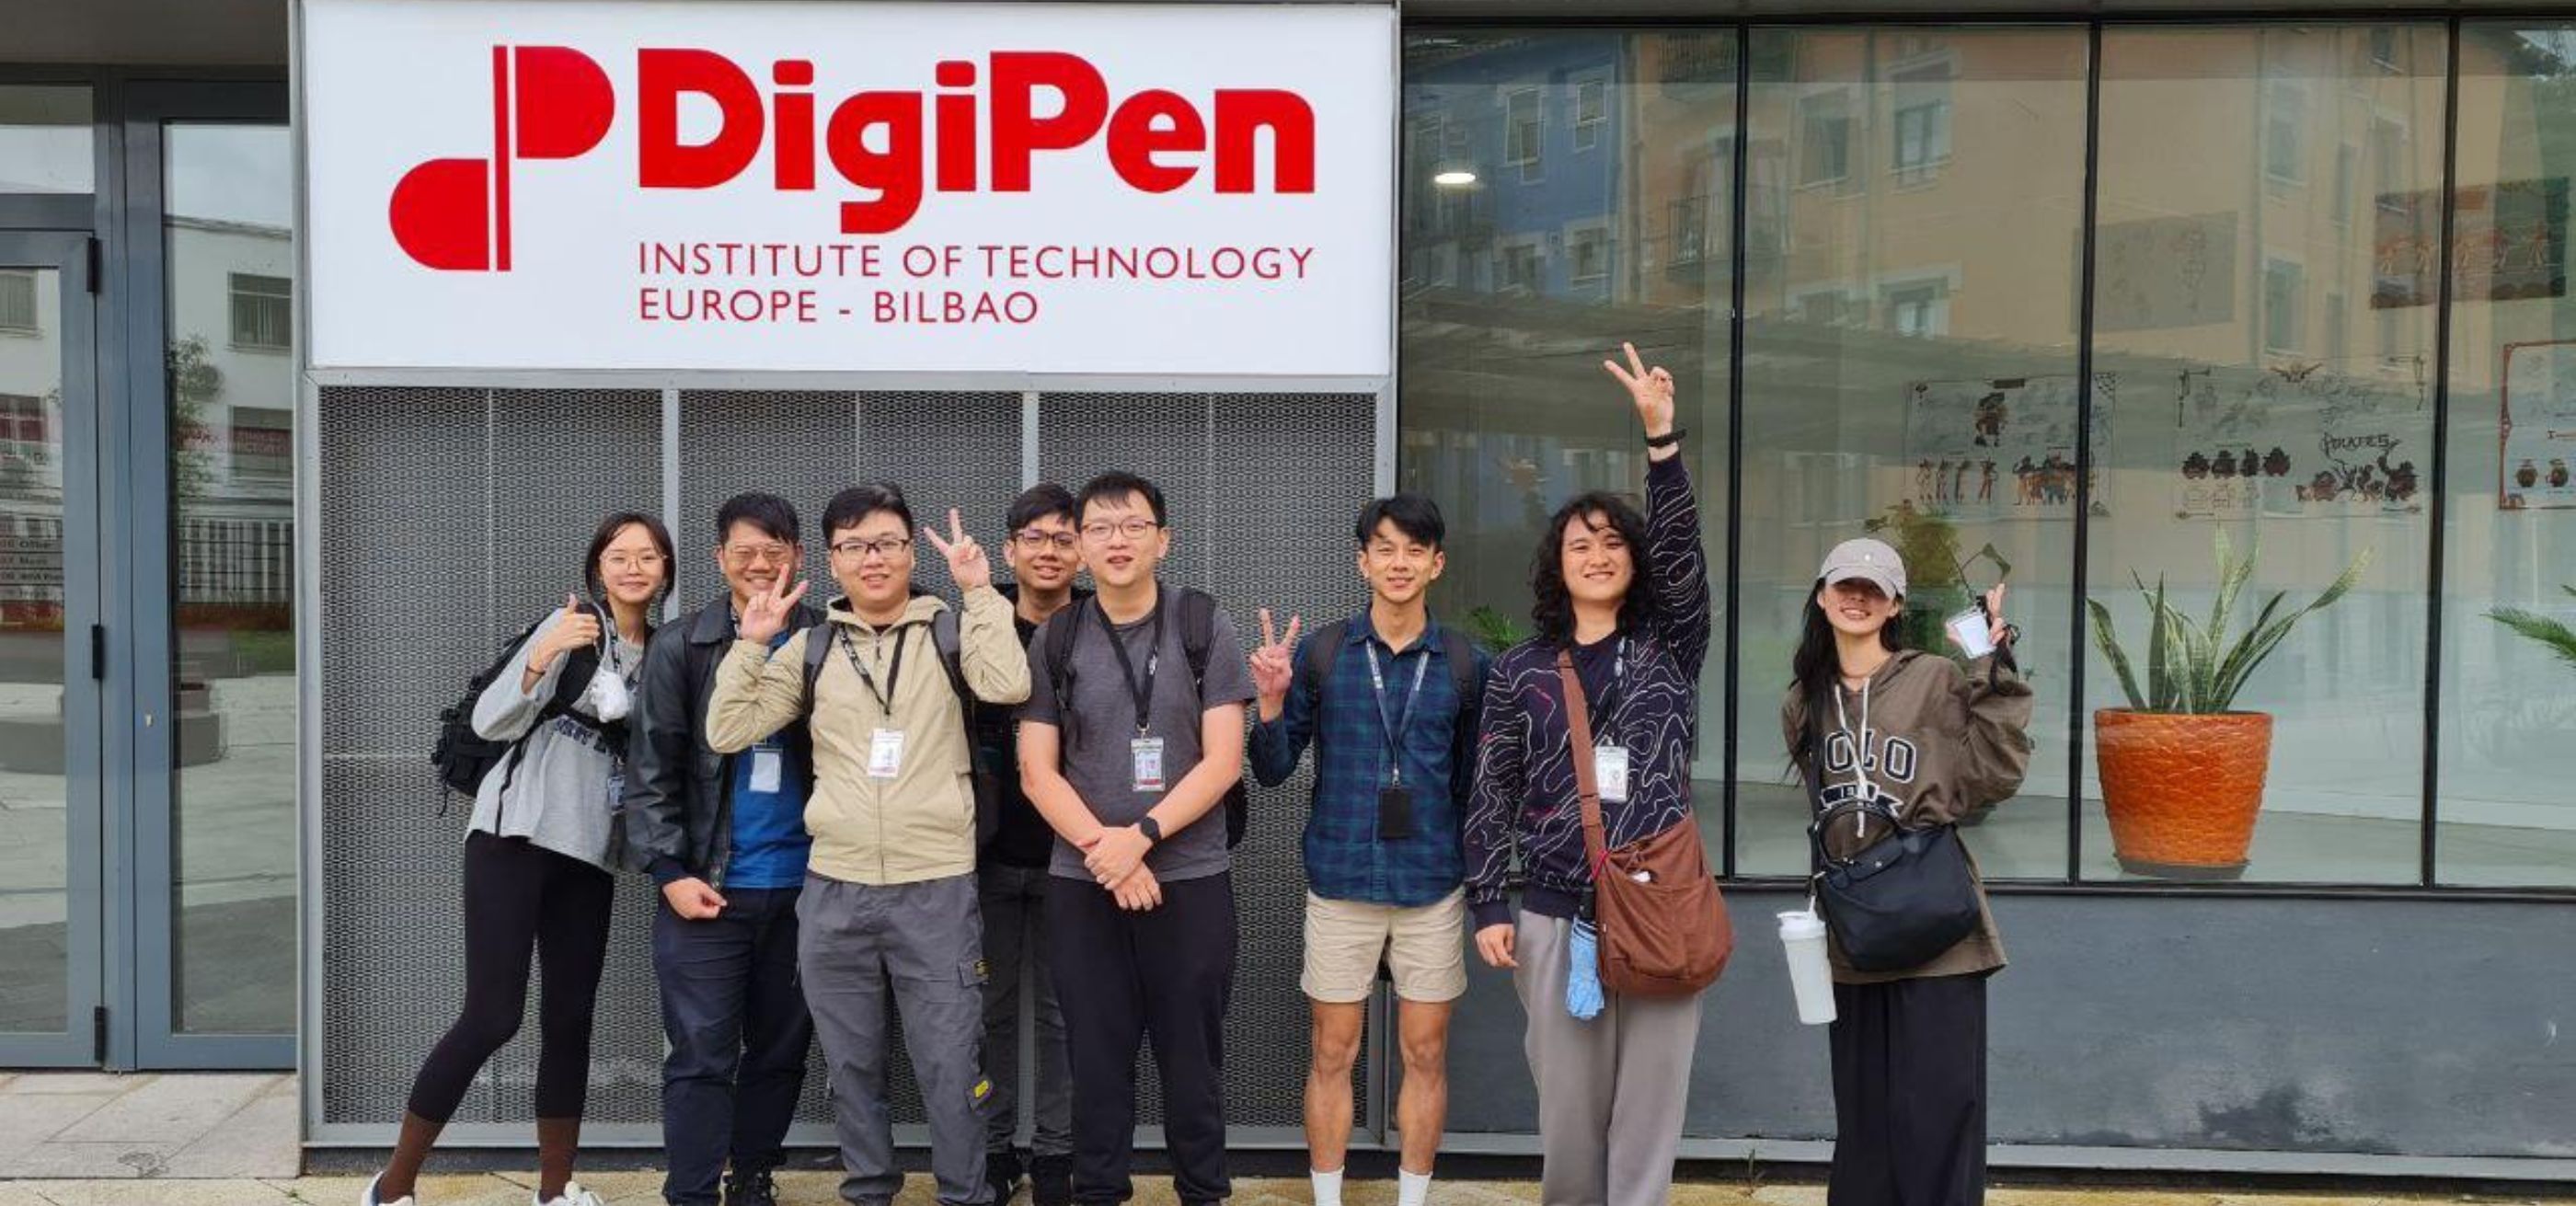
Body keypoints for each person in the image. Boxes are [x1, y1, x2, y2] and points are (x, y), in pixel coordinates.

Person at [706, 483, 1030, 1206]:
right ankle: (869, 1190)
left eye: (886, 543)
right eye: (854, 546)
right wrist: (751, 644)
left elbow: (1007, 683)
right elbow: (727, 731)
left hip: (937, 884)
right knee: (851, 1066)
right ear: (832, 560)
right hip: (836, 888)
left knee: (950, 1062)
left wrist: (979, 593)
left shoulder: (948, 628)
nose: (872, 558)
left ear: (912, 551)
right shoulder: (813, 647)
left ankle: (967, 1193)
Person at [363, 512, 674, 1206]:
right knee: (492, 1014)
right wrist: (543, 655)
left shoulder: (660, 650)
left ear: (665, 572)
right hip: (513, 838)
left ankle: (556, 1190)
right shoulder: (570, 623)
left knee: (570, 1018)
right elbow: (488, 722)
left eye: (648, 556)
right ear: (598, 565)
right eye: (619, 555)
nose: (633, 567)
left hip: (588, 853)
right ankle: (391, 1187)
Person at [1462, 343, 1712, 1206]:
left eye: (1612, 542)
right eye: (1579, 543)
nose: (1598, 554)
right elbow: (1491, 787)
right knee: (1569, 1110)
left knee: (1651, 1107)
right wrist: (1489, 899)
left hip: (1662, 904)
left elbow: (1682, 561)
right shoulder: (1522, 667)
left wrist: (1661, 441)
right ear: (1555, 563)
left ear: (1633, 561)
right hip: (1559, 911)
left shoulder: (1668, 651)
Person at [1016, 471, 1256, 1206]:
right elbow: (1036, 770)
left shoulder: (1202, 623)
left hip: (1189, 877)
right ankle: (1098, 1192)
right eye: (1100, 528)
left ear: (1163, 538)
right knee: (1096, 1058)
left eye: (1133, 525)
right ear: (1081, 547)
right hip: (1084, 883)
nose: (1117, 540)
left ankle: (1203, 1192)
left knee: (1193, 1061)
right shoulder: (1058, 636)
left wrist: (1142, 836)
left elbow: (1224, 758)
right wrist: (1109, 853)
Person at [1247, 494, 1486, 1206]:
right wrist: (1267, 703)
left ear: (1436, 563)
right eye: (1385, 548)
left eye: (1415, 550)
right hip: (1342, 878)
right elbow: (1271, 767)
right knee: (1331, 1050)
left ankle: (1411, 1200)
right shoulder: (1324, 654)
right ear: (1363, 561)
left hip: (1430, 883)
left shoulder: (1468, 665)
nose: (1400, 562)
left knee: (1426, 1051)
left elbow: (1476, 787)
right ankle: (1328, 1199)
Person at [1782, 538, 2030, 1206]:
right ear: (1822, 594)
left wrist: (1989, 662)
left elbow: (1992, 775)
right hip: (1857, 929)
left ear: (1894, 604)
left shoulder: (1932, 678)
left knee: (1940, 1110)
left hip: (1937, 924)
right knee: (1865, 1117)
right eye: (1844, 584)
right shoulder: (1805, 700)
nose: (1857, 597)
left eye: (1874, 587)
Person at [622, 493, 821, 1206]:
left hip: (806, 888)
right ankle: (694, 1190)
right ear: (720, 559)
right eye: (745, 552)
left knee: (780, 1048)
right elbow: (650, 771)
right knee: (702, 1052)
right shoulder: (684, 644)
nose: (761, 565)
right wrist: (669, 871)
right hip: (707, 887)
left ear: (799, 555)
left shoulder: (826, 638)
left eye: (775, 550)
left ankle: (755, 1175)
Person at [975, 484, 1087, 1206]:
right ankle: (987, 1153)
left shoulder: (1097, 628)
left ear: (1080, 549)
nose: (1048, 551)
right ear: (1009, 549)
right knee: (983, 1011)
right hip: (980, 855)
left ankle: (1054, 1156)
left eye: (1061, 537)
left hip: (1072, 856)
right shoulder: (977, 625)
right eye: (1033, 538)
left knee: (1062, 1013)